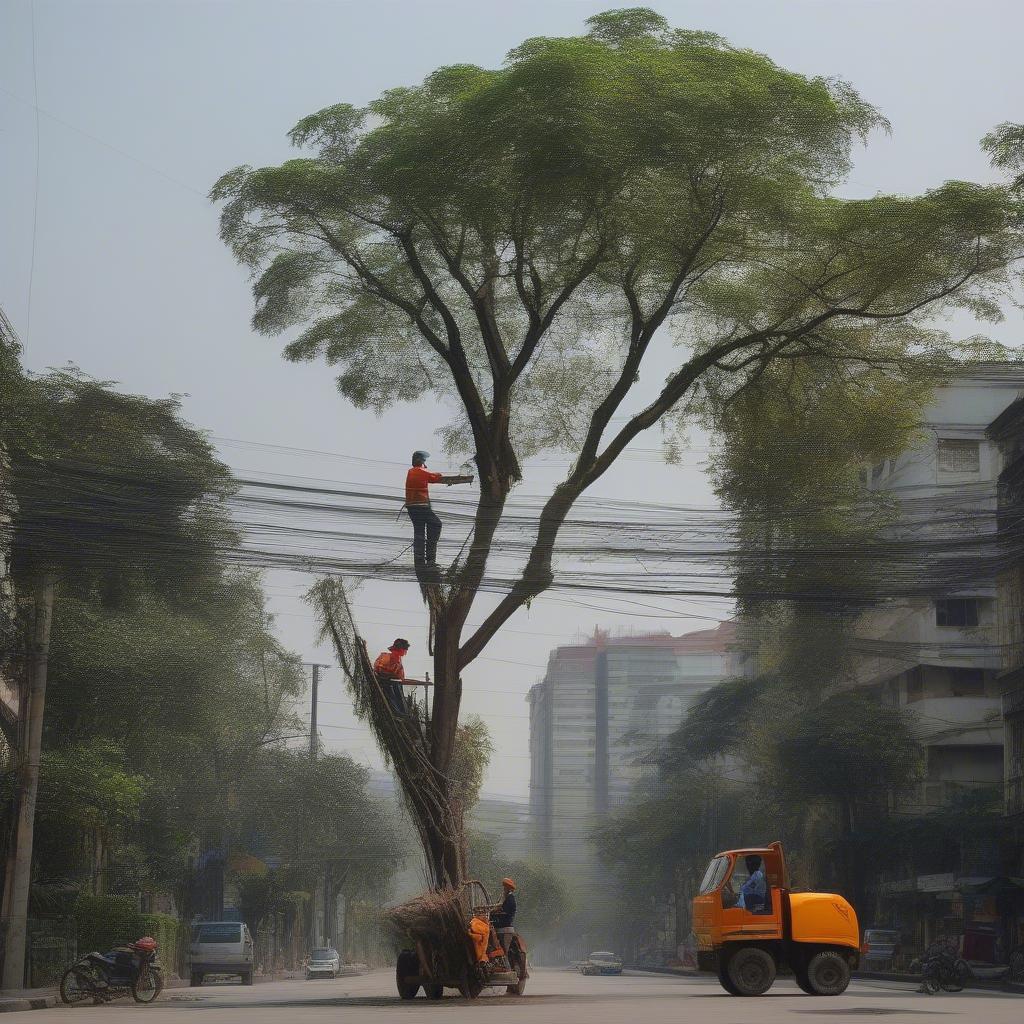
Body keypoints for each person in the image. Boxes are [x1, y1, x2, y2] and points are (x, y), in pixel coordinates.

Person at [405, 451, 473, 568]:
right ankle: (430, 558)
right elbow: (434, 477)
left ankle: (419, 558)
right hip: (421, 506)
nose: (424, 462)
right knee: (436, 524)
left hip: (411, 507)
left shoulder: (410, 472)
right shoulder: (421, 472)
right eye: (423, 460)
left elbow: (429, 477)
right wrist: (440, 475)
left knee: (419, 531)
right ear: (420, 461)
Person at [372, 638, 428, 717]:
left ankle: (402, 713)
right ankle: (400, 713)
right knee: (394, 698)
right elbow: (380, 670)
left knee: (399, 695)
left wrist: (399, 678)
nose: (405, 652)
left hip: (395, 683)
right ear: (400, 649)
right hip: (387, 684)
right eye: (405, 650)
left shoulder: (397, 659)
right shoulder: (387, 658)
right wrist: (392, 677)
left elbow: (399, 675)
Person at [492, 878, 517, 952]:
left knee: (504, 952)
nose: (504, 889)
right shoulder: (505, 898)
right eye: (504, 887)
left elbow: (504, 912)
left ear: (509, 889)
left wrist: (494, 912)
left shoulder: (510, 899)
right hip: (501, 927)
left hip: (505, 929)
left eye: (505, 887)